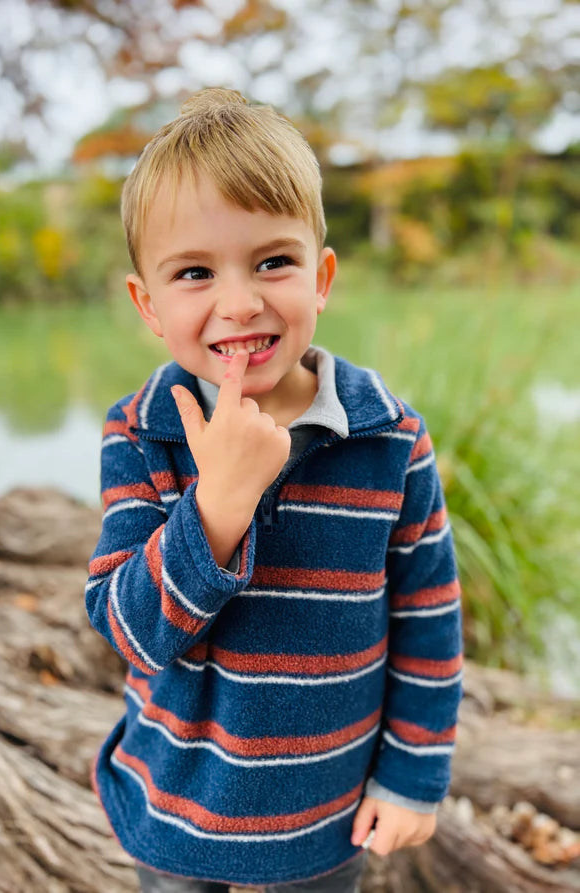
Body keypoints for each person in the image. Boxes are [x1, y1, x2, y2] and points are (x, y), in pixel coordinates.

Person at [85, 87, 463, 892]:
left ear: (322, 276)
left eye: (272, 261)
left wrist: (414, 776)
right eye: (195, 272)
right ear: (148, 304)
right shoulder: (142, 434)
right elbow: (128, 629)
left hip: (321, 818)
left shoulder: (389, 440)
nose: (240, 302)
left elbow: (428, 619)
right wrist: (215, 507)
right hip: (175, 808)